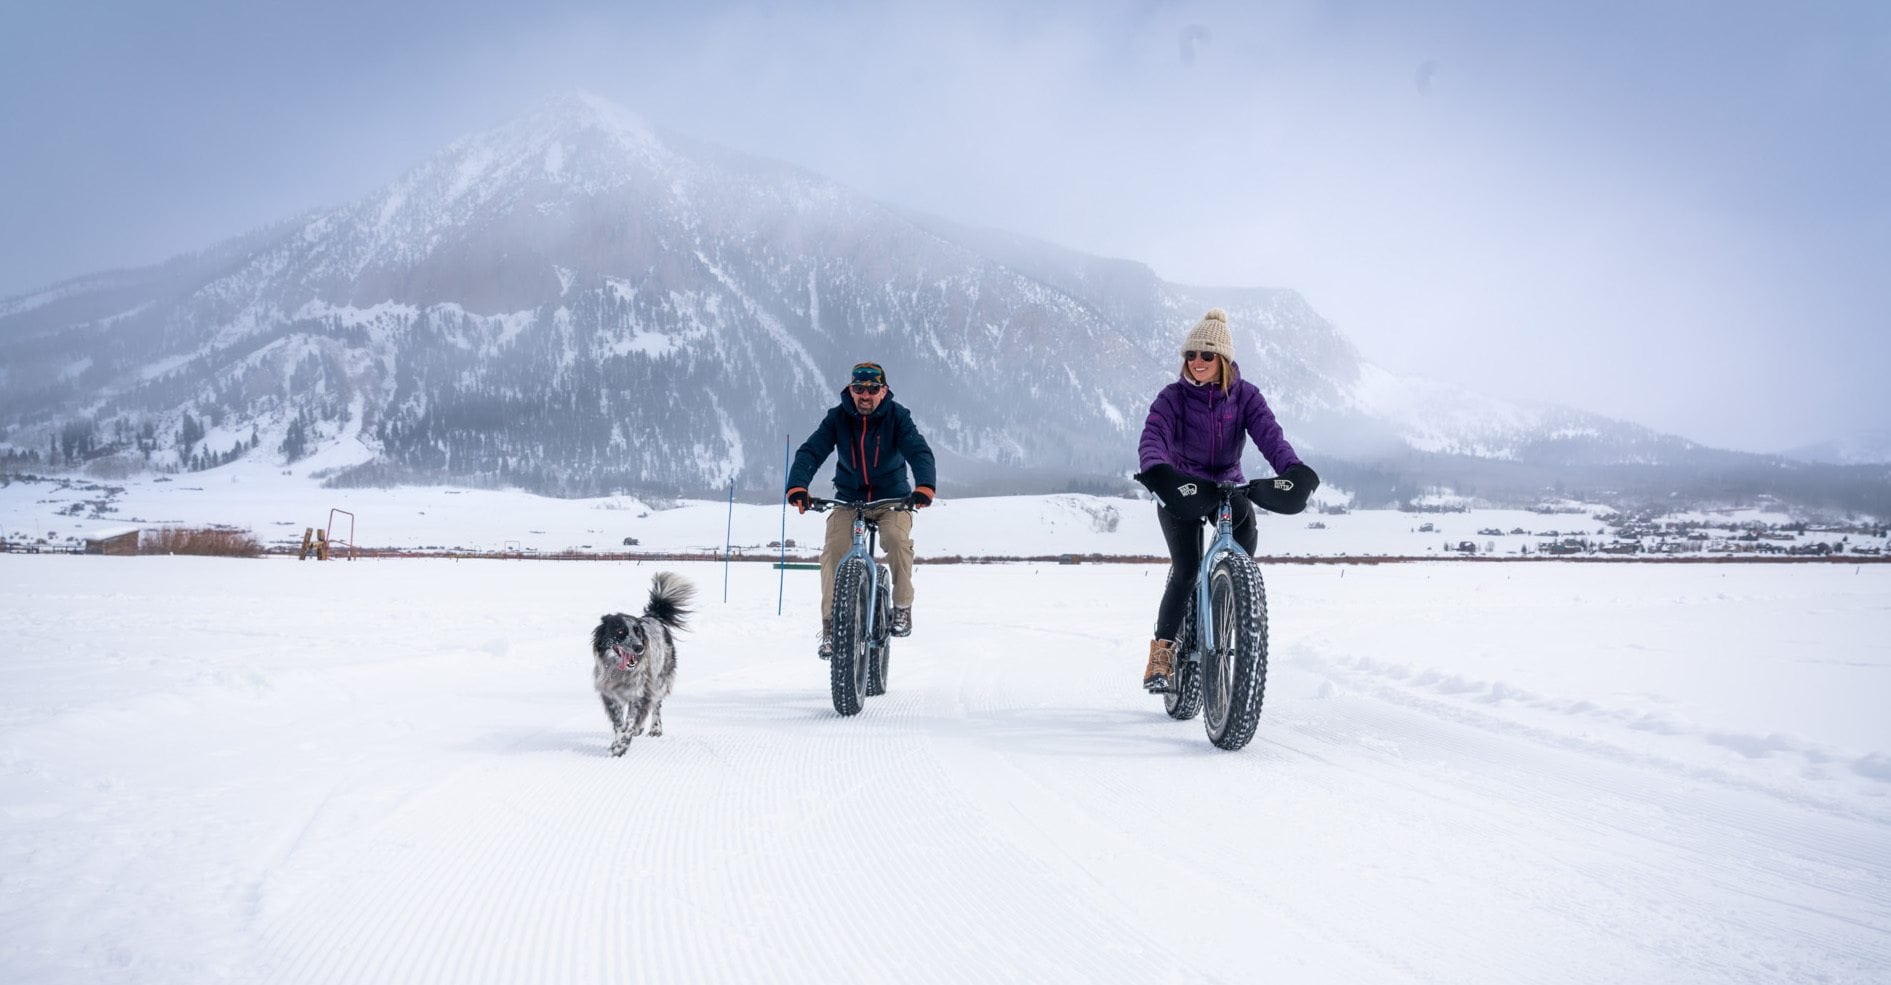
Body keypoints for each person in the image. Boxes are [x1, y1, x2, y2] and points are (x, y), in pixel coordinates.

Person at [1134, 308, 1319, 692]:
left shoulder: (1246, 396)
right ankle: (1163, 654)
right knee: (1186, 569)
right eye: (1190, 355)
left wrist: (1293, 470)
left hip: (1228, 488)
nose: (1197, 363)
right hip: (1183, 487)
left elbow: (1271, 438)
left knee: (1243, 559)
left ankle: (1228, 607)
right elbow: (1154, 437)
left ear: (1223, 360)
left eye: (1206, 355)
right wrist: (1159, 471)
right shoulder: (1172, 398)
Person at [785, 362, 937, 658]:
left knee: (895, 538)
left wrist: (924, 486)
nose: (864, 396)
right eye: (858, 389)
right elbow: (812, 450)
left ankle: (903, 606)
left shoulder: (897, 417)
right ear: (850, 390)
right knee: (833, 550)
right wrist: (798, 486)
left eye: (872, 389)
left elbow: (918, 450)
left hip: (892, 499)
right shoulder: (838, 418)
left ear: (883, 390)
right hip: (849, 500)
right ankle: (830, 627)